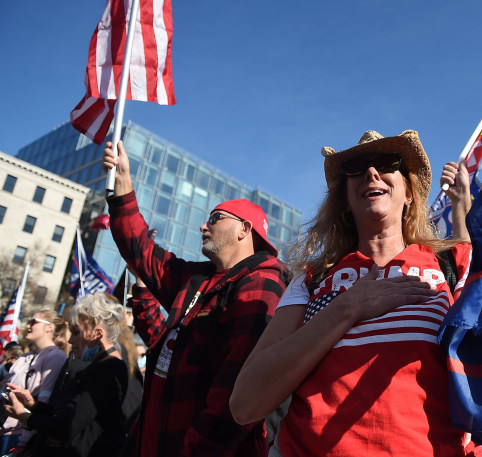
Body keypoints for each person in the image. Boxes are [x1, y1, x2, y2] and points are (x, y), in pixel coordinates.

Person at [229, 130, 482, 456]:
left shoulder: (454, 263)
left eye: (387, 162)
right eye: (357, 167)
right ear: (345, 202)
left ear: (409, 193)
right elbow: (245, 403)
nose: (371, 172)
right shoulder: (310, 279)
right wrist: (348, 307)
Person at [101, 140, 290, 457]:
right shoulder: (195, 279)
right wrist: (122, 188)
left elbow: (237, 387)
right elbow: (142, 252)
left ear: (244, 229)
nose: (204, 225)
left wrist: (198, 449)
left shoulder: (262, 283)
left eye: (216, 218)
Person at [5, 293, 129, 456]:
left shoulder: (110, 368)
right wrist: (33, 404)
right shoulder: (99, 366)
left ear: (97, 334)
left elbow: (67, 425)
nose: (70, 341)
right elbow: (67, 412)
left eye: (76, 332)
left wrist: (24, 416)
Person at [0, 311, 68, 454]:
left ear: (49, 327)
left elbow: (43, 403)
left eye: (34, 322)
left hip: (17, 435)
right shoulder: (24, 357)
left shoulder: (55, 356)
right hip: (3, 429)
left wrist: (24, 442)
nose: (28, 325)